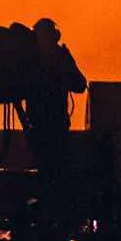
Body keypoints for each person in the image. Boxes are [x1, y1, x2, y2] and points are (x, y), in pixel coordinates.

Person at [17, 17, 87, 181]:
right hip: (47, 125)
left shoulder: (54, 58)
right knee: (52, 173)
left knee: (53, 173)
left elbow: (80, 85)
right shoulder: (40, 60)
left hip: (50, 126)